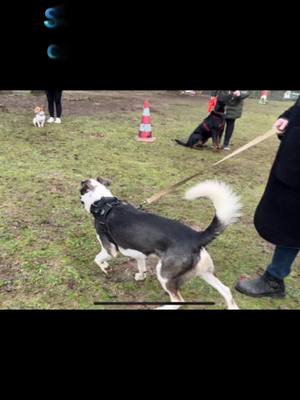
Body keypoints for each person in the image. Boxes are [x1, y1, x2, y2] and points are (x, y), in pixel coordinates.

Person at [235, 96, 300, 298]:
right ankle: (274, 278)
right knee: (291, 224)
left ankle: (273, 279)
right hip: (293, 164)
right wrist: (288, 116)